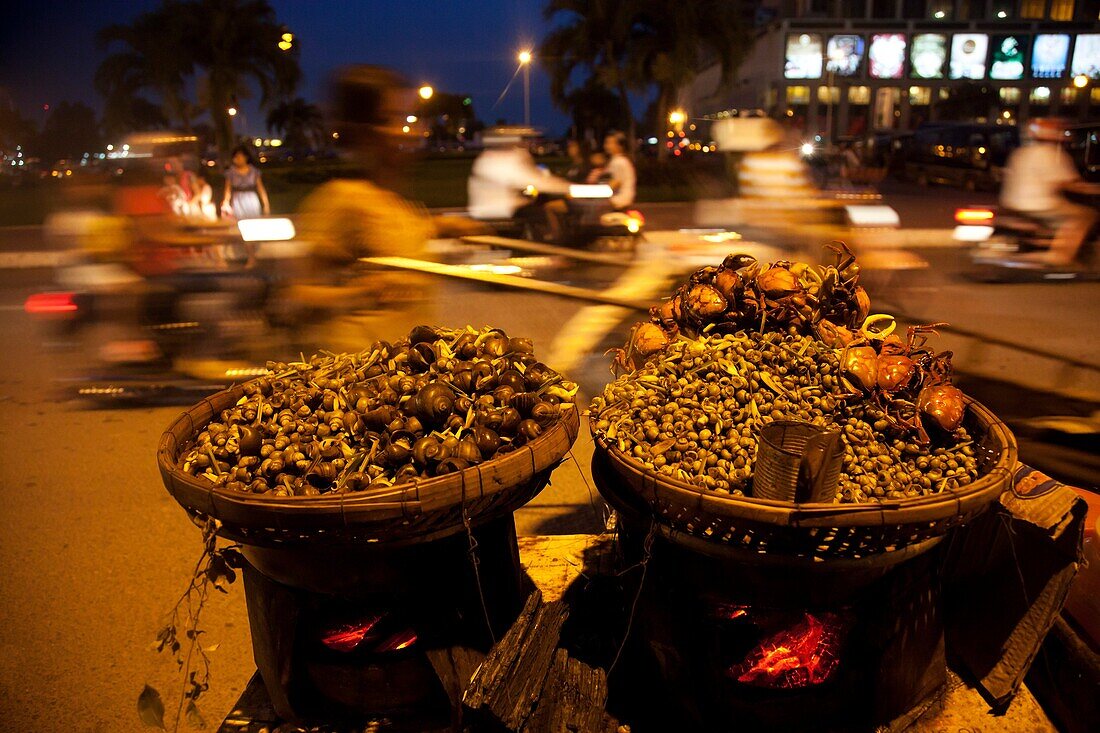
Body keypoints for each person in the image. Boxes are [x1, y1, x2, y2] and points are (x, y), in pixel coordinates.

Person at [285, 65, 448, 353]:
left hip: (408, 374)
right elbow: (298, 294)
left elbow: (395, 241)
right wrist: (361, 292)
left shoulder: (398, 201)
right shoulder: (342, 199)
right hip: (363, 376)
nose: (410, 132)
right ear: (363, 133)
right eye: (393, 120)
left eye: (412, 119)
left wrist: (447, 226)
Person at [1000, 118, 1098, 267]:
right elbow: (1069, 183)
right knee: (1085, 216)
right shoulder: (1052, 154)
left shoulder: (1021, 153)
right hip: (1040, 205)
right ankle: (1059, 256)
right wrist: (1094, 189)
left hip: (1012, 203)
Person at [222, 145, 270, 220]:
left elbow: (261, 188)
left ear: (246, 157)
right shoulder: (231, 172)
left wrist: (266, 204)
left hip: (251, 200)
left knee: (254, 221)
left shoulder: (254, 171)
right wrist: (226, 203)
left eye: (239, 157)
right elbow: (227, 189)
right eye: (235, 157)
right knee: (239, 222)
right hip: (237, 200)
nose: (237, 159)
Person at [603, 131, 636, 210]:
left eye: (611, 143)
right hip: (622, 200)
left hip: (618, 200)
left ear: (620, 146)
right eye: (607, 143)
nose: (607, 146)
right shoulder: (620, 160)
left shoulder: (619, 162)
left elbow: (615, 183)